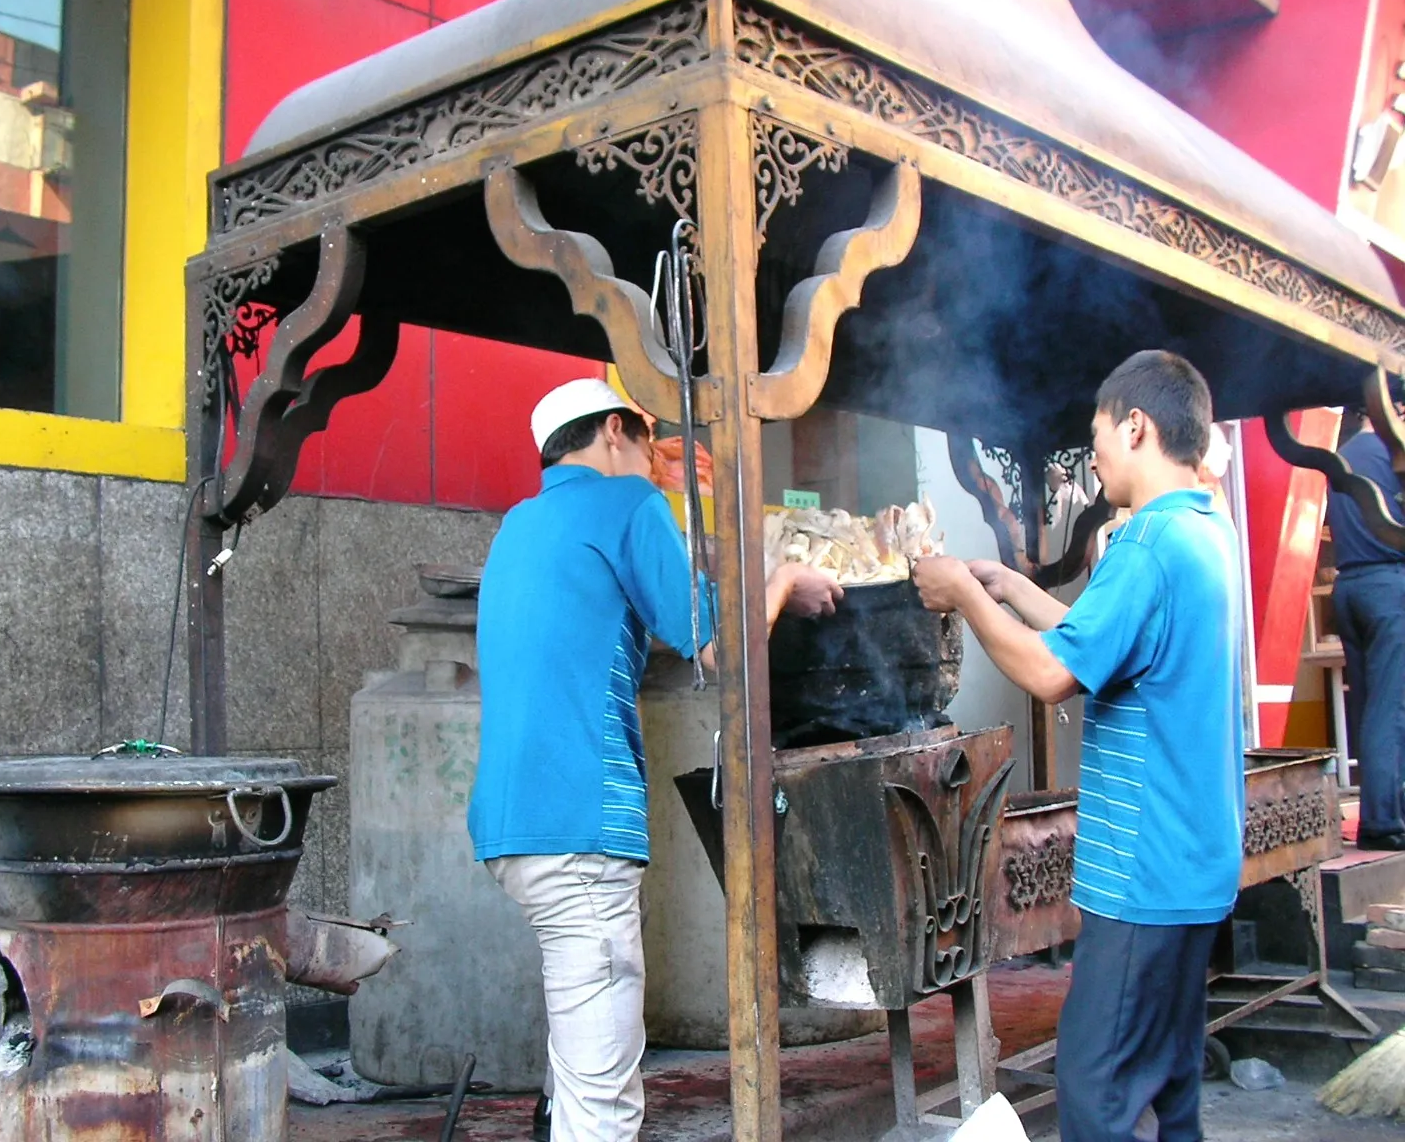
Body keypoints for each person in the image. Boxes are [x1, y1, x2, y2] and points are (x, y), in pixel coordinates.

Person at [469, 378, 842, 1142]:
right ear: (614, 432)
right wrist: (781, 581)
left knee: (576, 1063)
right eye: (646, 440)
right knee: (602, 1101)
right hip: (580, 829)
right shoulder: (627, 506)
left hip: (513, 829)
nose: (655, 462)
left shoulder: (519, 524)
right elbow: (714, 645)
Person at [913, 350, 1244, 1142]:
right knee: (1167, 1090)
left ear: (1136, 426)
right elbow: (1106, 638)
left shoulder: (1147, 543)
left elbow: (1052, 673)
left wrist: (961, 595)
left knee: (1096, 1092)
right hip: (1195, 867)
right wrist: (1010, 587)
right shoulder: (1205, 529)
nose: (1092, 454)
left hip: (1145, 874)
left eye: (1097, 434)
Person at [1324, 411, 1405, 850]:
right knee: (1390, 708)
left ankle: (1386, 809)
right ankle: (1383, 822)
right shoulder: (1394, 455)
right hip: (1388, 584)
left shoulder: (1342, 455)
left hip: (1348, 586)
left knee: (1370, 703)